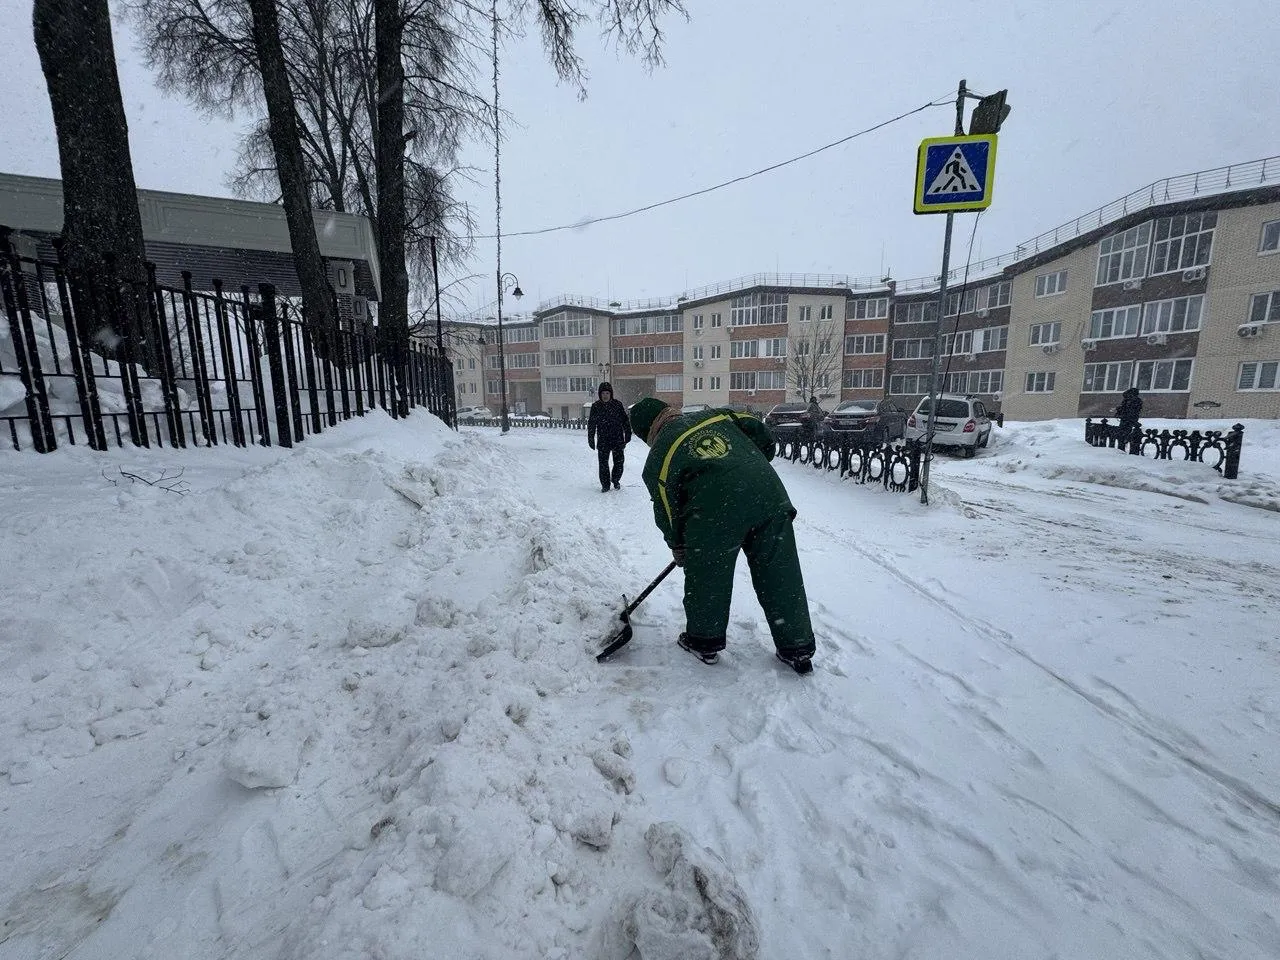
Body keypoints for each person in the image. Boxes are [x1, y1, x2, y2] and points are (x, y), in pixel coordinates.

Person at [628, 397, 817, 674]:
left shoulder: (659, 456)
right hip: (768, 497)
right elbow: (759, 429)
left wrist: (678, 544)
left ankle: (704, 641)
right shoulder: (718, 416)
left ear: (647, 432)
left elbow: (668, 510)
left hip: (714, 514)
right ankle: (797, 648)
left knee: (708, 576)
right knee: (780, 574)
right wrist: (747, 464)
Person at [587, 382, 632, 492]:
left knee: (619, 462)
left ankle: (615, 479)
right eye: (603, 393)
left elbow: (625, 421)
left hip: (617, 439)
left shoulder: (617, 405)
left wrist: (628, 434)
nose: (605, 395)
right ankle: (605, 485)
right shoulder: (596, 406)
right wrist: (591, 438)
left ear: (611, 394)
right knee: (603, 464)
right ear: (600, 394)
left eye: (607, 393)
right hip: (603, 440)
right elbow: (591, 424)